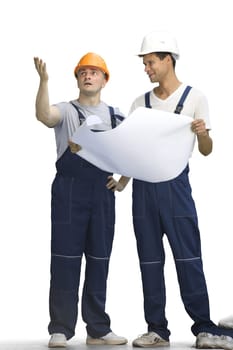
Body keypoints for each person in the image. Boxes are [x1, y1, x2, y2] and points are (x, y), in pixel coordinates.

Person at [128, 31, 233, 349]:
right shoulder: (139, 103)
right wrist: (121, 179)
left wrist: (202, 134)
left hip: (176, 188)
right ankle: (156, 329)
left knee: (188, 258)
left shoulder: (195, 98)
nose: (146, 68)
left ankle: (204, 326)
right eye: (144, 63)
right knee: (149, 260)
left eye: (150, 63)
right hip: (143, 189)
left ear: (167, 60)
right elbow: (132, 150)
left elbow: (206, 150)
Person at [33, 52, 129, 348]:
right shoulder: (66, 110)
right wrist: (44, 81)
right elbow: (43, 116)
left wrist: (123, 181)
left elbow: (134, 150)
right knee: (65, 258)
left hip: (102, 193)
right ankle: (60, 328)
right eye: (83, 72)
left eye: (94, 72)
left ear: (104, 79)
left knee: (99, 259)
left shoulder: (116, 116)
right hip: (69, 191)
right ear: (77, 79)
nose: (88, 76)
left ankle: (98, 328)